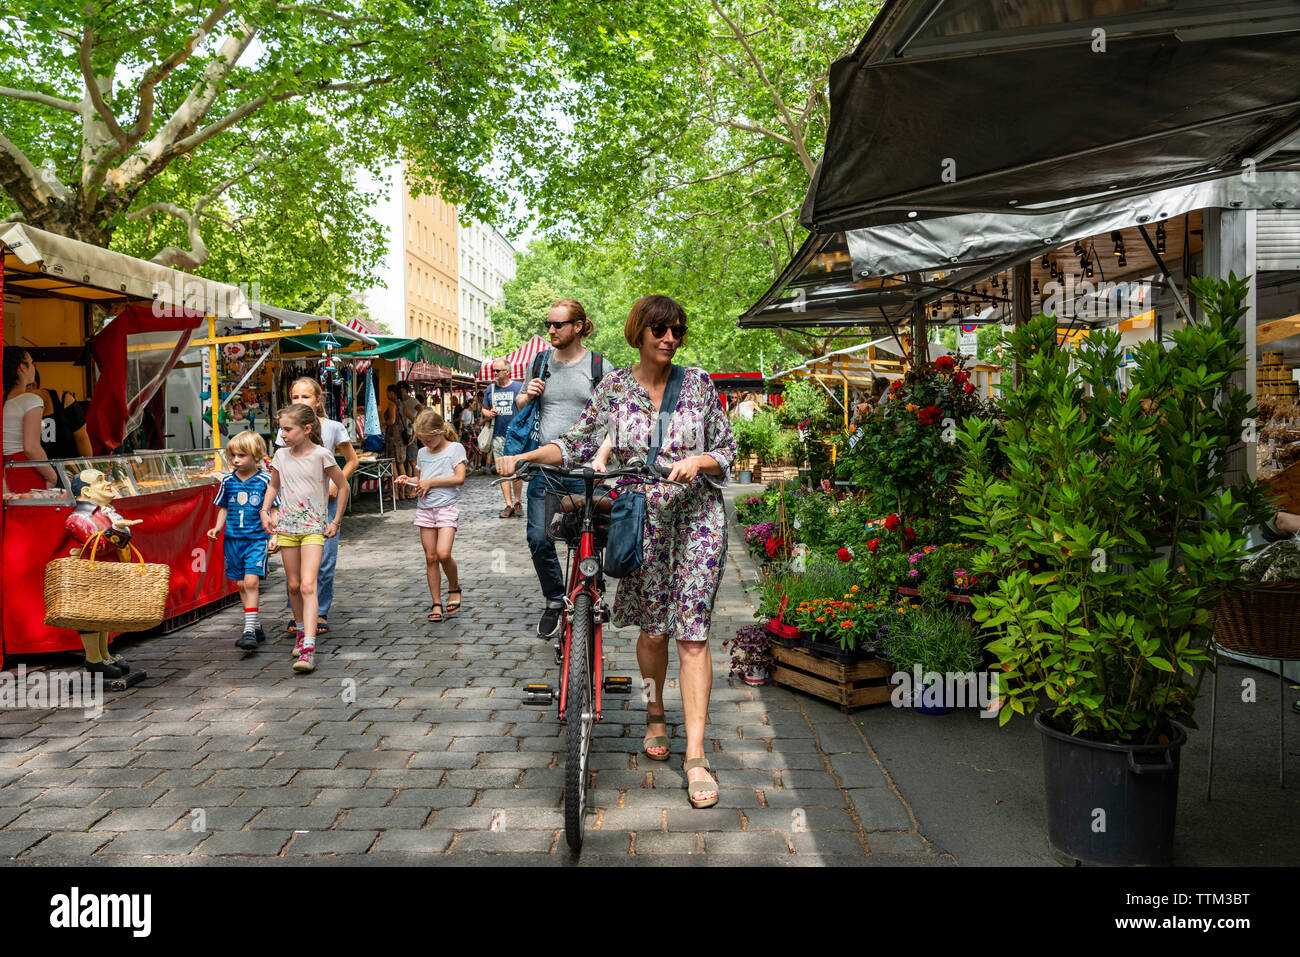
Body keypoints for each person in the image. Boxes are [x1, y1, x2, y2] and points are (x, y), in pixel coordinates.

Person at [498, 294, 738, 809]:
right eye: (660, 331)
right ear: (639, 333)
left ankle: (696, 754)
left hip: (698, 520)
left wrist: (700, 460)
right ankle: (655, 715)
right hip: (640, 519)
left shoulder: (698, 385)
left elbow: (728, 449)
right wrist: (521, 456)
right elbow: (578, 442)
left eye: (676, 330)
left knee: (692, 636)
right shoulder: (613, 388)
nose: (669, 339)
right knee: (653, 630)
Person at [515, 299, 613, 638]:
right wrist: (527, 394)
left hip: (587, 470)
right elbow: (519, 407)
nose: (552, 330)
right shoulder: (540, 362)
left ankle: (591, 590)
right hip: (546, 469)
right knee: (539, 538)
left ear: (578, 326)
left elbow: (615, 422)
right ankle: (555, 599)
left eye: (559, 324)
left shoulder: (599, 366)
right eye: (549, 324)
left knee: (593, 536)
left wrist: (601, 458)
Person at [262, 403, 349, 674]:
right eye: (281, 429)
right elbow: (274, 485)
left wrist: (335, 521)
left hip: (314, 528)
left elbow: (343, 486)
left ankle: (309, 647)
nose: (283, 434)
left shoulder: (322, 455)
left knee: (309, 585)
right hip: (287, 528)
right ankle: (301, 632)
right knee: (293, 585)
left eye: (288, 429)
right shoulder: (280, 457)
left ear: (307, 429)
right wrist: (265, 510)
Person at [276, 377, 359, 635]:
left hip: (325, 504)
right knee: (295, 564)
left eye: (306, 397)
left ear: (319, 400)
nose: (301, 401)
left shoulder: (333, 427)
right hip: (296, 505)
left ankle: (320, 610)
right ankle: (298, 614)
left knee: (325, 559)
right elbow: (282, 467)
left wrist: (337, 483)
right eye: (295, 397)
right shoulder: (287, 429)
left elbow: (352, 460)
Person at [207, 430, 279, 651]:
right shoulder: (228, 481)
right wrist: (218, 528)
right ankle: (255, 626)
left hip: (256, 539)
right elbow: (224, 507)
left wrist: (274, 534)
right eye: (233, 456)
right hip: (232, 540)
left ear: (256, 456)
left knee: (251, 582)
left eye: (241, 455)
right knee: (240, 584)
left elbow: (274, 509)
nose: (236, 460)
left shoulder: (266, 480)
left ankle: (248, 631)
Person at [397, 410, 466, 622]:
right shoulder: (423, 453)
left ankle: (454, 587)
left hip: (446, 507)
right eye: (422, 440)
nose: (426, 443)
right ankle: (436, 602)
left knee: (443, 553)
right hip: (425, 509)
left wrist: (430, 483)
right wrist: (407, 480)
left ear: (441, 432)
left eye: (428, 439)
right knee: (430, 557)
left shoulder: (455, 449)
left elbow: (459, 478)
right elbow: (421, 480)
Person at [3, 348, 57, 493]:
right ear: (22, 367)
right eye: (32, 363)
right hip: (26, 472)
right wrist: (52, 476)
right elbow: (31, 448)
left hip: (6, 473)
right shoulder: (31, 399)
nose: (34, 368)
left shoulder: (5, 401)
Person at [482, 359, 524, 517]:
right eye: (493, 371)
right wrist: (489, 413)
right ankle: (509, 504)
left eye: (497, 371)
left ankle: (518, 501)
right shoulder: (490, 389)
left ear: (507, 372)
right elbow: (483, 410)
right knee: (503, 471)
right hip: (498, 435)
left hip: (516, 435)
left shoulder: (519, 387)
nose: (494, 374)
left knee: (517, 469)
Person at [27, 370, 93, 459]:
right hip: (34, 469)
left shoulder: (64, 401)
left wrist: (86, 469)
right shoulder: (14, 409)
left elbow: (82, 441)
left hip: (68, 468)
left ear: (32, 385)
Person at [383, 384, 412, 496]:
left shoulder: (392, 404)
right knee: (401, 464)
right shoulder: (403, 405)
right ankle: (403, 493)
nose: (386, 394)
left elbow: (392, 420)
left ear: (391, 393)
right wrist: (412, 433)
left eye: (387, 392)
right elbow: (413, 419)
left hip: (393, 437)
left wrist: (382, 423)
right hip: (402, 438)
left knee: (393, 464)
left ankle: (395, 494)